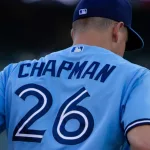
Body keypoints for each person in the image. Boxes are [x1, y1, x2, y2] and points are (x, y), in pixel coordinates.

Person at [0, 0, 150, 150]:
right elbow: (143, 143)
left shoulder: (13, 73)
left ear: (73, 33)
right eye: (126, 42)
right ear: (117, 31)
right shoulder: (135, 77)